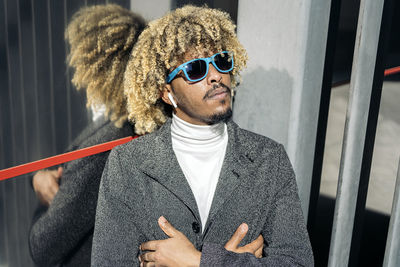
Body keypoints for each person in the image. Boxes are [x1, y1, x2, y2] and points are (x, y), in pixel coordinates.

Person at [91, 5, 314, 266]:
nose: (216, 76)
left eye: (221, 61)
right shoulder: (127, 164)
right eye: (196, 69)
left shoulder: (269, 159)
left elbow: (297, 262)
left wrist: (200, 261)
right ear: (167, 93)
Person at [28, 5, 146, 266]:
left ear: (99, 65)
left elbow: (43, 246)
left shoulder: (111, 142)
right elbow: (67, 161)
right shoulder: (122, 122)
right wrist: (38, 177)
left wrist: (40, 204)